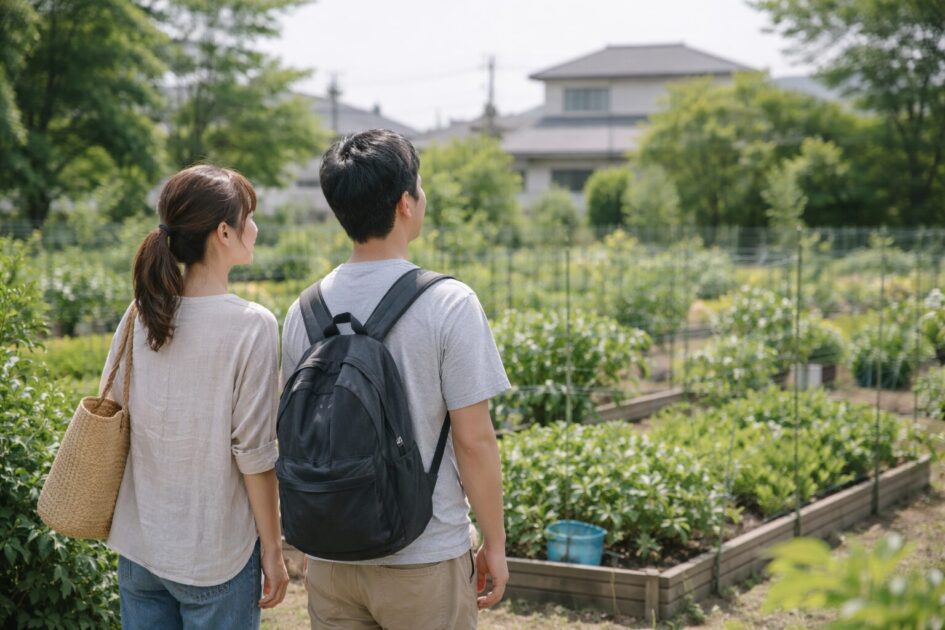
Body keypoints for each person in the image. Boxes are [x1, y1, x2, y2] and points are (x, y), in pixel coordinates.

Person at [281, 129, 511, 629]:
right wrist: (494, 543)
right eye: (420, 188)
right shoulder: (449, 303)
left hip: (332, 556)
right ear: (406, 203)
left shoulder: (302, 311)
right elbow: (474, 441)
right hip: (423, 556)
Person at [101, 165, 289, 629]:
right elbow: (255, 455)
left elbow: (112, 409)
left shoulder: (142, 312)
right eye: (249, 216)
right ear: (224, 232)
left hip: (141, 547)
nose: (256, 228)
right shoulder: (252, 325)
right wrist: (273, 548)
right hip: (215, 553)